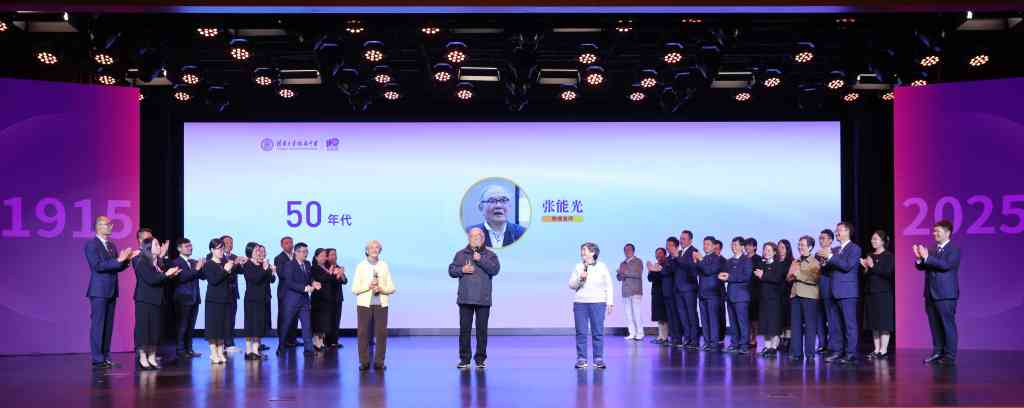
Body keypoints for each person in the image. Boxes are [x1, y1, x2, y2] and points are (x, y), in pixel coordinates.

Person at [85, 216, 136, 369]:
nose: (111, 227)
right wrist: (119, 260)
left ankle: (105, 357)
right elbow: (97, 266)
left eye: (110, 224)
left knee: (108, 326)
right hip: (99, 291)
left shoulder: (111, 245)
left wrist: (126, 260)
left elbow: (116, 266)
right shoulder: (91, 244)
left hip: (112, 290)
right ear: (99, 226)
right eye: (108, 224)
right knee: (98, 325)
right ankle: (97, 359)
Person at [448, 228, 501, 369]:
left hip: (483, 299)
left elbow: (495, 270)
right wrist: (462, 270)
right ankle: (465, 359)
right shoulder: (461, 254)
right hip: (465, 298)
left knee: (481, 331)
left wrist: (480, 259)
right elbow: (451, 270)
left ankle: (480, 359)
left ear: (483, 239)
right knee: (464, 330)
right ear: (469, 238)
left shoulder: (490, 255)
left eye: (477, 237)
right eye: (472, 236)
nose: (475, 239)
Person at [914, 220, 960, 366]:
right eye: (934, 231)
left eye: (938, 231)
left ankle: (950, 356)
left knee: (947, 325)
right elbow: (923, 267)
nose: (934, 234)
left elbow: (945, 265)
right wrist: (920, 259)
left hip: (946, 295)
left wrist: (927, 257)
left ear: (948, 233)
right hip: (930, 293)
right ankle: (937, 352)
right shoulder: (932, 249)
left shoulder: (954, 250)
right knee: (934, 326)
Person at [133, 238, 181, 370]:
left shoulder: (158, 262)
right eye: (156, 244)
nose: (159, 246)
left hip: (158, 300)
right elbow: (151, 280)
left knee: (155, 330)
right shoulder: (141, 262)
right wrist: (166, 275)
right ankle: (143, 357)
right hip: (145, 301)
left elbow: (161, 280)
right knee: (144, 330)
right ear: (148, 247)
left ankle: (152, 356)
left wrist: (170, 275)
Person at [820, 222, 862, 365]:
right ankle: (837, 351)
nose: (836, 233)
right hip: (834, 291)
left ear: (847, 232)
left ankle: (850, 353)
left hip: (848, 292)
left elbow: (847, 266)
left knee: (849, 325)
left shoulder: (855, 249)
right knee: (836, 325)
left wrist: (830, 257)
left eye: (839, 230)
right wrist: (824, 262)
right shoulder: (835, 249)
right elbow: (830, 268)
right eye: (836, 230)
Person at [569, 242, 614, 369]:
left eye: (584, 250)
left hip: (598, 302)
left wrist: (610, 302)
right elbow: (571, 285)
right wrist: (580, 279)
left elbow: (608, 285)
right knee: (581, 332)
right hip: (580, 303)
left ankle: (598, 359)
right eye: (581, 250)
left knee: (598, 332)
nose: (582, 252)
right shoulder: (578, 266)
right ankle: (581, 359)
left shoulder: (602, 266)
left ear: (593, 252)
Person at [353, 240, 396, 370]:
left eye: (377, 247)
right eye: (371, 247)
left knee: (381, 333)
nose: (374, 249)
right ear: (367, 250)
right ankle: (364, 362)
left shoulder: (384, 265)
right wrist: (368, 286)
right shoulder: (361, 266)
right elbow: (355, 289)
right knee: (363, 333)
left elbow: (392, 288)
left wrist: (382, 289)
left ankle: (379, 362)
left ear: (380, 250)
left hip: (381, 305)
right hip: (364, 305)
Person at [203, 238, 246, 364]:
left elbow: (232, 277)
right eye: (219, 249)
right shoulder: (209, 264)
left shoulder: (225, 262)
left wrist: (237, 264)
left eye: (222, 248)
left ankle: (220, 351)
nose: (221, 251)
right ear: (212, 250)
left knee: (223, 327)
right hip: (214, 300)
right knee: (213, 327)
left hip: (226, 298)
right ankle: (213, 353)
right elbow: (214, 280)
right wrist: (226, 270)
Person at [277, 242, 320, 357]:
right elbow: (289, 282)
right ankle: (281, 346)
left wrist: (313, 282)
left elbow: (309, 277)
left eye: (306, 251)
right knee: (286, 325)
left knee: (307, 325)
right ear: (296, 252)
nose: (305, 254)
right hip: (291, 301)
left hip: (304, 301)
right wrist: (304, 288)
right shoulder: (289, 265)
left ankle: (309, 349)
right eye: (303, 251)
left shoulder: (307, 264)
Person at [861, 230, 894, 360]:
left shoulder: (888, 256)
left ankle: (883, 350)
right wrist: (865, 268)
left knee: (883, 322)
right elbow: (867, 275)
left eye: (876, 239)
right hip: (870, 292)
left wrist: (872, 266)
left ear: (883, 241)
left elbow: (887, 273)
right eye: (872, 239)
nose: (873, 241)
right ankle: (876, 349)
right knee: (873, 322)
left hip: (883, 293)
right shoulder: (870, 255)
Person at [787, 235, 821, 361]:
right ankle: (797, 353)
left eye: (802, 245)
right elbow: (788, 278)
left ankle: (810, 353)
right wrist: (791, 275)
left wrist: (798, 274)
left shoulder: (815, 262)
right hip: (795, 295)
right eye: (799, 244)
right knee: (795, 325)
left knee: (810, 326)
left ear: (810, 247)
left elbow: (815, 278)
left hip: (809, 296)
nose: (800, 247)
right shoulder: (795, 261)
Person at [171, 238, 205, 358]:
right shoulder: (176, 262)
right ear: (179, 248)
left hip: (194, 297)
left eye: (190, 246)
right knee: (182, 326)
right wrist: (197, 268)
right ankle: (180, 350)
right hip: (183, 298)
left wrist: (203, 267)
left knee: (191, 326)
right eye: (187, 246)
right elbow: (182, 278)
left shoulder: (194, 262)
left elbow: (202, 276)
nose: (190, 248)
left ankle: (189, 349)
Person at [243, 243, 276, 360]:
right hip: (252, 300)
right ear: (250, 252)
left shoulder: (262, 264)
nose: (259, 252)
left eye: (260, 250)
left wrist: (272, 271)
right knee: (251, 326)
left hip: (263, 299)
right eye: (257, 250)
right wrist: (265, 269)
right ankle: (248, 351)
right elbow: (255, 279)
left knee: (259, 326)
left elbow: (271, 279)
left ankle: (256, 350)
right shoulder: (247, 265)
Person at [466, 184, 525, 248]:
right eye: (492, 201)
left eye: (503, 200)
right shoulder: (468, 233)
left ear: (510, 206)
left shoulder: (522, 233)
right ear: (480, 207)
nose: (498, 205)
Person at [754, 242, 785, 356]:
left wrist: (763, 276)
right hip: (763, 299)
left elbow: (777, 279)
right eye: (764, 250)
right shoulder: (761, 264)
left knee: (773, 325)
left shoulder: (778, 265)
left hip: (774, 300)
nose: (766, 252)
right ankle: (767, 347)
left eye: (768, 250)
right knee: (765, 325)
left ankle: (774, 347)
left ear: (774, 252)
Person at [722, 237, 752, 354]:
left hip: (741, 296)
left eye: (735, 245)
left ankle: (744, 345)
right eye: (732, 244)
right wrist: (723, 277)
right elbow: (726, 275)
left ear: (742, 246)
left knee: (742, 322)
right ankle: (734, 343)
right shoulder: (729, 261)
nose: (733, 247)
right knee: (733, 322)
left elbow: (746, 276)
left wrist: (729, 277)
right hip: (730, 295)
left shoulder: (746, 260)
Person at [694, 236, 724, 351]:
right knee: (704, 320)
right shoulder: (704, 258)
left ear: (713, 246)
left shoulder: (717, 259)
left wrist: (700, 260)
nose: (705, 246)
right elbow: (697, 272)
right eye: (704, 244)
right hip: (702, 292)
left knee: (713, 319)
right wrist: (695, 261)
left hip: (712, 293)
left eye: (707, 244)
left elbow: (708, 270)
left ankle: (714, 342)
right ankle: (707, 342)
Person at [672, 230, 700, 350]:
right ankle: (687, 338)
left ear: (690, 240)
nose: (681, 241)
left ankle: (694, 340)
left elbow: (691, 267)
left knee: (691, 315)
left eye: (684, 239)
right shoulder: (679, 252)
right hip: (678, 289)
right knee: (682, 315)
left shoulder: (694, 251)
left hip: (689, 288)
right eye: (680, 238)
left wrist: (678, 258)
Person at [617, 243, 644, 341]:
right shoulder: (622, 263)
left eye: (629, 250)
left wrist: (624, 273)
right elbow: (619, 278)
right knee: (628, 314)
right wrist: (619, 274)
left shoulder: (638, 261)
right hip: (625, 291)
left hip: (635, 290)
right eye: (625, 250)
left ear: (633, 251)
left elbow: (638, 274)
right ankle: (632, 333)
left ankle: (640, 333)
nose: (627, 252)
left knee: (636, 313)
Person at [274, 236, 298, 348]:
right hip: (285, 292)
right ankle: (283, 340)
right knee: (284, 316)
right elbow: (281, 274)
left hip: (296, 292)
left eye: (291, 243)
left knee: (294, 316)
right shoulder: (279, 258)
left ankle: (292, 339)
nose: (290, 245)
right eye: (287, 243)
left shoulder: (296, 256)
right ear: (282, 245)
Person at [816, 229, 835, 356]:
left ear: (830, 240)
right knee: (819, 319)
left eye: (823, 238)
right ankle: (822, 344)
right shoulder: (817, 254)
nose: (821, 240)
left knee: (831, 319)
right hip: (817, 290)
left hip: (829, 289)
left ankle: (832, 345)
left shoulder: (834, 253)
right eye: (820, 238)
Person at [323, 248, 348, 348]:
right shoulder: (323, 267)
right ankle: (326, 341)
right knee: (327, 320)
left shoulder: (338, 267)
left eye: (335, 254)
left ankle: (334, 341)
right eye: (332, 254)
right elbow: (326, 280)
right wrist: (331, 271)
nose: (335, 257)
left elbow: (345, 281)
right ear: (327, 256)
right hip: (327, 299)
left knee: (336, 320)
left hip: (337, 298)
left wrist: (341, 274)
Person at [661, 237, 681, 347]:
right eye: (667, 245)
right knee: (670, 316)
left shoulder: (678, 258)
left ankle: (678, 338)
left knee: (676, 316)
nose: (667, 247)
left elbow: (672, 271)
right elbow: (664, 272)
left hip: (675, 291)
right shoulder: (667, 259)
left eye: (670, 245)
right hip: (666, 292)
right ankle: (673, 337)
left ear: (676, 246)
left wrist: (662, 269)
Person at [646, 248, 669, 344]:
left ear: (665, 254)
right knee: (658, 316)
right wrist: (651, 270)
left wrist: (656, 270)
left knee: (664, 316)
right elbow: (650, 278)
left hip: (664, 292)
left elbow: (662, 277)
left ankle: (665, 337)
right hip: (656, 293)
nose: (658, 255)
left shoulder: (667, 265)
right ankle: (660, 336)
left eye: (660, 253)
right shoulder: (655, 265)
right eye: (656, 254)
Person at [776, 239, 795, 353]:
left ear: (787, 249)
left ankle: (788, 339)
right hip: (776, 294)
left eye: (782, 247)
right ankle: (781, 339)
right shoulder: (775, 261)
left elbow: (791, 278)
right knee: (779, 318)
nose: (780, 249)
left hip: (787, 293)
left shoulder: (792, 262)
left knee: (787, 318)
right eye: (779, 247)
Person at [310, 248, 331, 351]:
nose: (324, 258)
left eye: (325, 256)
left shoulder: (327, 267)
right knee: (318, 321)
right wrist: (329, 273)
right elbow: (320, 279)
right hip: (318, 298)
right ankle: (316, 342)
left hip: (327, 298)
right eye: (321, 256)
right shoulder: (313, 268)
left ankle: (321, 342)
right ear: (316, 257)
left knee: (324, 321)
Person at [744, 237, 761, 351]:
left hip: (755, 291)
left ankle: (753, 338)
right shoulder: (743, 258)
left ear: (754, 247)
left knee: (754, 317)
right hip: (743, 290)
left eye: (750, 245)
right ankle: (746, 337)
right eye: (746, 245)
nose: (747, 247)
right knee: (745, 317)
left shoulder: (758, 259)